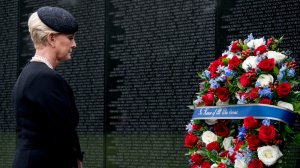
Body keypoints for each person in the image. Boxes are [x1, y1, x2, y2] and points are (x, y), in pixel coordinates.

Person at [12, 6, 83, 168]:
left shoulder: (28, 74)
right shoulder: (45, 78)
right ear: (51, 39)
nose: (74, 44)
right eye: (70, 37)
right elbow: (63, 132)